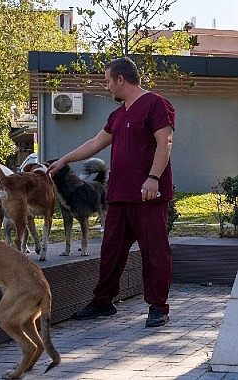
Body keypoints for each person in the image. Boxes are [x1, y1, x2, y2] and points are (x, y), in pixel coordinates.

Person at [47, 57, 175, 328]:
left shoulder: (156, 104)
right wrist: (64, 160)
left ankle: (158, 307)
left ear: (121, 79)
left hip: (148, 195)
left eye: (107, 81)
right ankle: (103, 302)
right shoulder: (117, 115)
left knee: (155, 251)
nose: (106, 87)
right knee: (110, 251)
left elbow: (165, 142)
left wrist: (153, 178)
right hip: (118, 195)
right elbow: (95, 143)